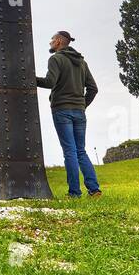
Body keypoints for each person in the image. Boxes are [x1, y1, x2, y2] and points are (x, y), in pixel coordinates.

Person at [36, 30, 101, 198]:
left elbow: (50, 82)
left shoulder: (55, 59)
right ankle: (94, 190)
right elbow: (93, 88)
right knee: (81, 151)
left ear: (58, 41)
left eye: (52, 39)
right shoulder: (82, 62)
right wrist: (82, 105)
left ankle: (74, 193)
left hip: (62, 110)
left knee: (70, 151)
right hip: (79, 112)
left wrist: (31, 78)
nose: (50, 42)